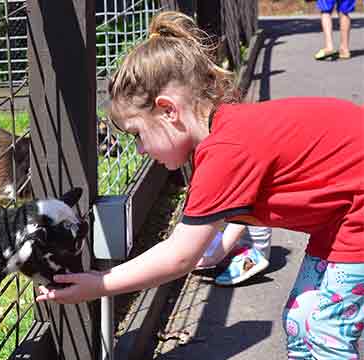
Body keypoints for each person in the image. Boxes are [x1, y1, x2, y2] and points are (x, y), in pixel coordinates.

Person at [36, 11, 364, 359]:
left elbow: (179, 255)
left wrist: (98, 285)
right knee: (303, 319)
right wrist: (215, 250)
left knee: (322, 325)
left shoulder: (224, 151)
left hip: (354, 213)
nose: (141, 149)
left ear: (168, 111)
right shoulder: (224, 134)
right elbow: (240, 210)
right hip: (343, 215)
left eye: (137, 134)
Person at [195, 224, 272, 286]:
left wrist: (213, 258)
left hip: (252, 249)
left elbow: (239, 223)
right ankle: (226, 256)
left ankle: (251, 259)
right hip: (234, 241)